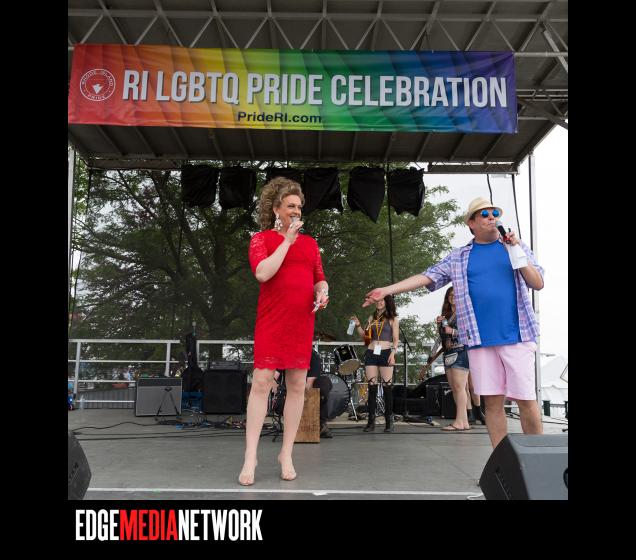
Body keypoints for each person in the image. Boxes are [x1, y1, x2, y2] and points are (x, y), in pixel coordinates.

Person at [363, 197, 544, 449]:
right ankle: (503, 462)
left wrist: (517, 252)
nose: (492, 217)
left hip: (517, 337)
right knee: (492, 403)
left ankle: (536, 458)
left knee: (526, 400)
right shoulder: (460, 256)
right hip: (479, 341)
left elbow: (537, 283)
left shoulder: (516, 247)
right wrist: (387, 290)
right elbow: (426, 276)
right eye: (484, 214)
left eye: (495, 213)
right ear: (471, 223)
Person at [238, 177, 329, 486]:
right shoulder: (261, 239)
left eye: (299, 207)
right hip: (272, 320)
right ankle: (250, 456)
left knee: (297, 384)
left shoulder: (311, 244)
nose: (296, 211)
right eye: (290, 206)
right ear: (276, 208)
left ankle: (286, 453)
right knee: (262, 382)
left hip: (301, 321)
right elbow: (262, 273)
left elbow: (319, 277)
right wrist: (287, 241)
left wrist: (322, 291)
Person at [350, 294, 400, 433]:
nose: (379, 302)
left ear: (387, 302)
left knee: (387, 387)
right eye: (377, 300)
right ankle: (371, 422)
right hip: (371, 352)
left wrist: (393, 353)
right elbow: (366, 339)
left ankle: (389, 422)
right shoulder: (371, 318)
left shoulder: (393, 318)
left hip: (385, 352)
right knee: (371, 387)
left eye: (382, 300)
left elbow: (396, 339)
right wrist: (358, 326)